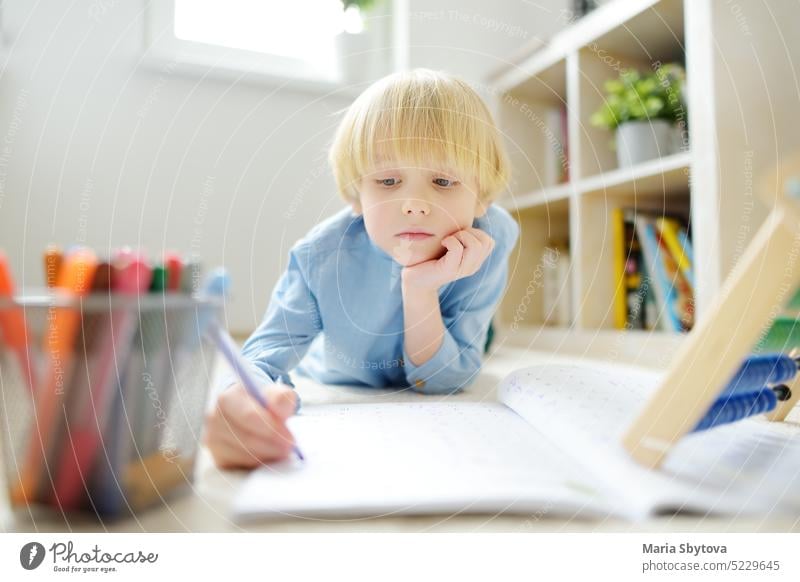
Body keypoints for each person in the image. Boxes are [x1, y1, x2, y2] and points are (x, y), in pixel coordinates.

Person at [204, 68, 519, 469]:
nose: (414, 204)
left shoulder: (490, 238)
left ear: (481, 199)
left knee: (477, 342)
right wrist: (244, 401)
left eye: (442, 180)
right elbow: (261, 358)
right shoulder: (321, 255)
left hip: (454, 332)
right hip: (343, 364)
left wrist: (420, 289)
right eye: (388, 181)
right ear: (357, 194)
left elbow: (446, 381)